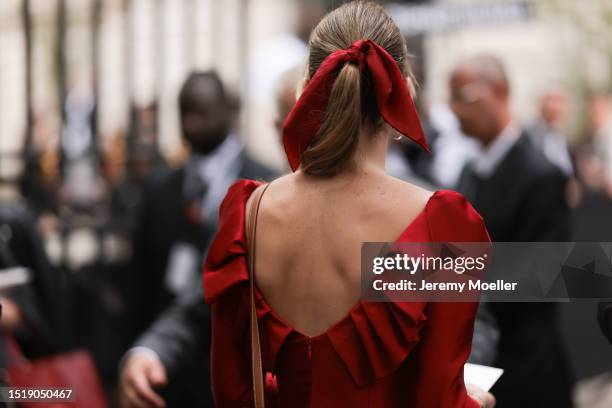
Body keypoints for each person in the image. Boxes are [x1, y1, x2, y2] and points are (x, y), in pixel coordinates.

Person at [204, 2, 494, 407]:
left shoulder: (248, 212)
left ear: (308, 85)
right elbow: (442, 401)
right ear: (403, 88)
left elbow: (231, 391)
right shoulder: (439, 223)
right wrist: (478, 400)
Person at [119, 71, 276, 408]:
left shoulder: (267, 189)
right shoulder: (160, 189)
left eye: (202, 113)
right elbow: (145, 285)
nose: (192, 124)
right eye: (185, 114)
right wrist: (148, 349)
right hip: (171, 369)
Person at [452, 55, 573, 407]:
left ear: (499, 92)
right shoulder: (469, 172)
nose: (455, 110)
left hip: (526, 372)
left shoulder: (541, 175)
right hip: (476, 366)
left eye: (463, 95)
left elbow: (540, 276)